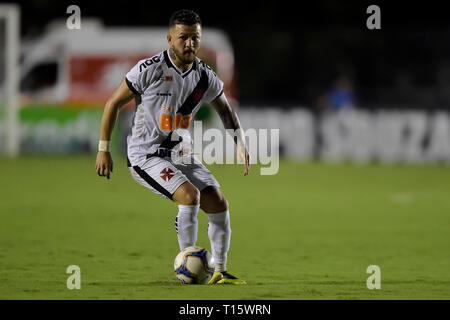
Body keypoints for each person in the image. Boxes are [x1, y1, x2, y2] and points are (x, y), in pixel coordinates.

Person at [95, 9, 249, 285]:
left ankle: (220, 271)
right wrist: (103, 149)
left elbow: (225, 110)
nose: (189, 44)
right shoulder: (149, 69)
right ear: (170, 39)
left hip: (182, 154)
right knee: (189, 197)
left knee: (218, 202)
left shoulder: (205, 77)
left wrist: (240, 142)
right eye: (183, 38)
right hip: (146, 156)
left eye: (195, 38)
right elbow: (113, 103)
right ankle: (187, 268)